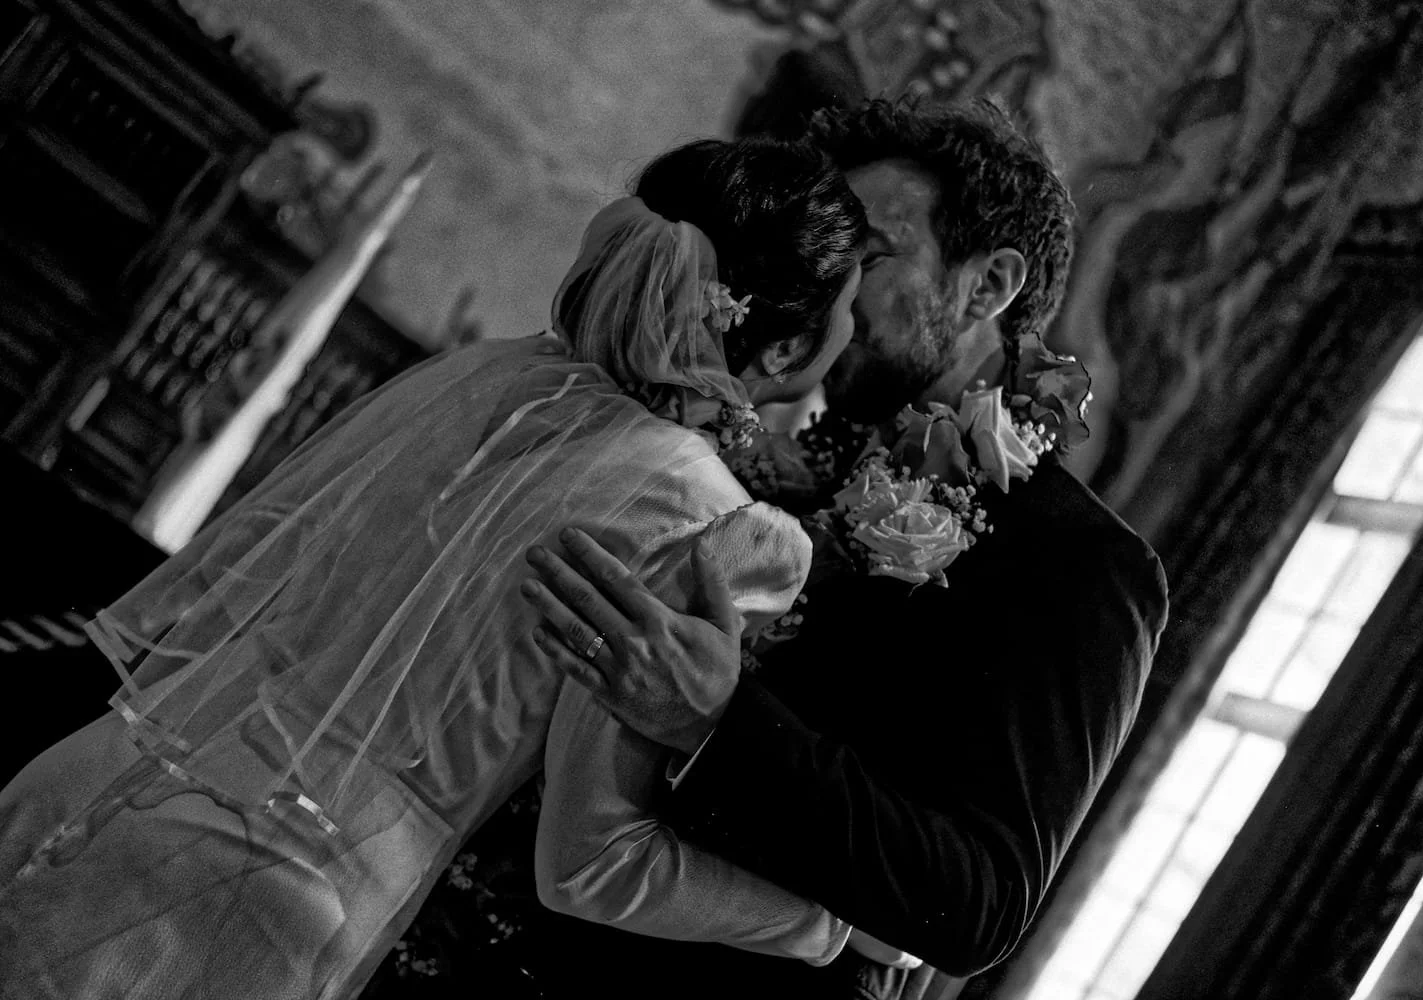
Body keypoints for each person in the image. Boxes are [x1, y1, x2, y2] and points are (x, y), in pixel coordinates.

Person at [0, 137, 896, 998]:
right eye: (848, 308)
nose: (853, 327)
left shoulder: (489, 377)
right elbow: (592, 865)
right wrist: (829, 925)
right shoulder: (716, 527)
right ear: (781, 350)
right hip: (253, 904)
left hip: (100, 773)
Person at [521, 97, 1171, 999]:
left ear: (988, 288)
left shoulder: (1079, 563)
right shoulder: (777, 458)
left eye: (869, 255)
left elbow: (978, 904)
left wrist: (717, 725)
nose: (831, 284)